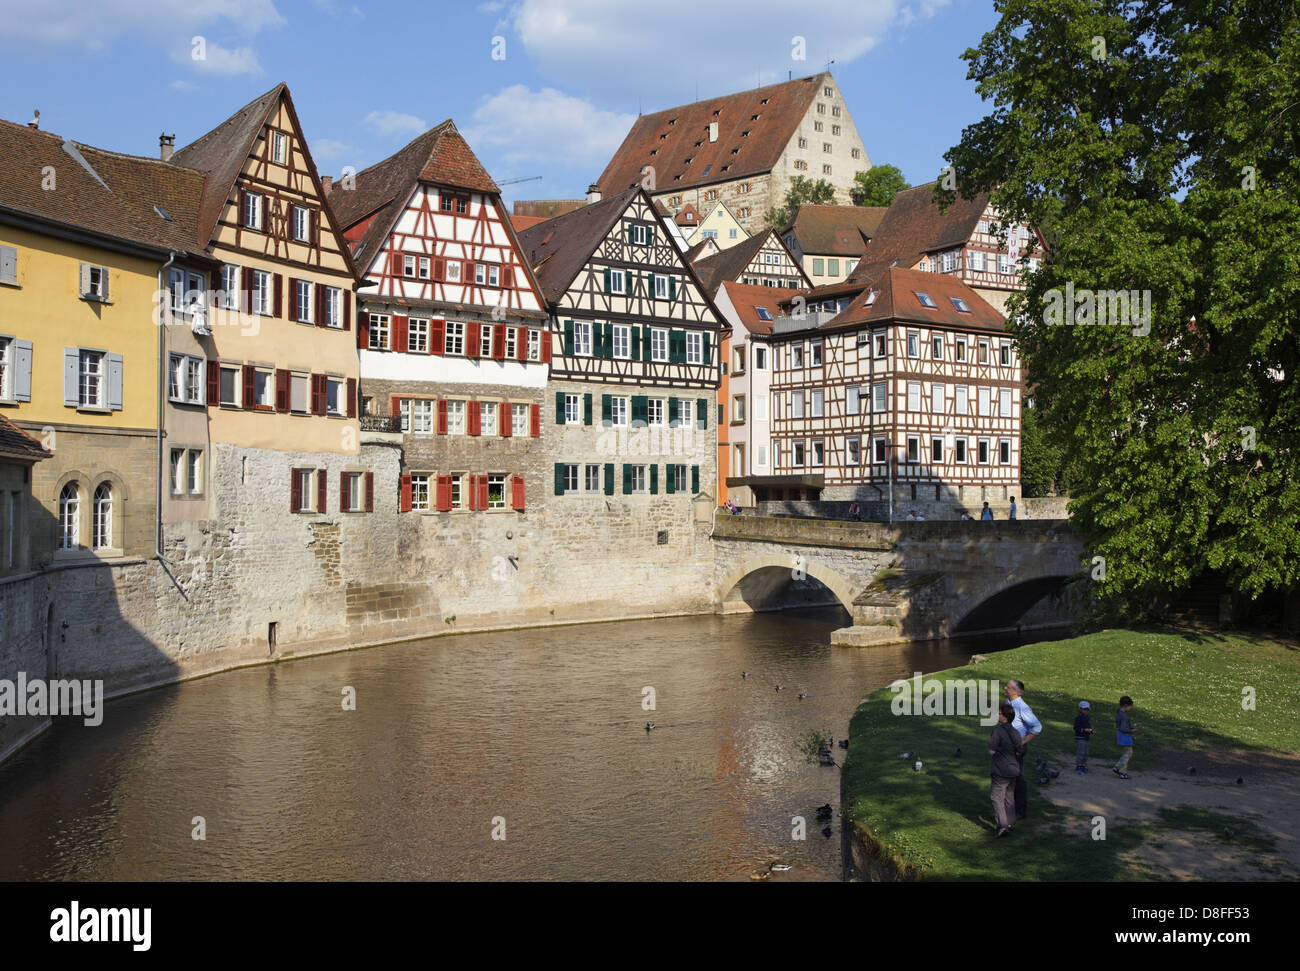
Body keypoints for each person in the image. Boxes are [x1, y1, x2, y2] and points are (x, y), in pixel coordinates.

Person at [1004, 679, 1041, 820]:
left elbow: (1037, 727)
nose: (1005, 687)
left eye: (1007, 686)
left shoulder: (1021, 707)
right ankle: (1009, 807)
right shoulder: (1009, 702)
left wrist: (1022, 742)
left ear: (1014, 691)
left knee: (1017, 778)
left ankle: (1020, 811)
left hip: (1016, 748)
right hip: (1007, 746)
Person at [989, 702, 1023, 838]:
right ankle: (1010, 822)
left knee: (996, 797)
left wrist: (998, 753)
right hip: (1013, 769)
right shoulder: (1015, 732)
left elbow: (991, 750)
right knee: (1009, 796)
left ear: (1004, 716)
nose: (997, 715)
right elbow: (1020, 750)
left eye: (999, 713)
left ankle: (1002, 826)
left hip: (1000, 770)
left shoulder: (998, 731)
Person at [1114, 696, 1136, 779]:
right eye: (1130, 707)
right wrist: (1132, 730)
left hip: (1122, 735)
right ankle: (1122, 772)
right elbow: (1123, 728)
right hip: (1125, 736)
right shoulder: (1124, 716)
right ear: (1126, 705)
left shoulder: (1120, 713)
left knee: (1127, 753)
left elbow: (1124, 725)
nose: (1130, 708)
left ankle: (1117, 767)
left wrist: (1131, 725)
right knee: (1128, 754)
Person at [1073, 701, 1095, 773]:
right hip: (1080, 738)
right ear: (1080, 709)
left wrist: (1091, 731)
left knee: (1086, 753)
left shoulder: (1087, 718)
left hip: (1086, 738)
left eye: (1087, 709)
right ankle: (1078, 766)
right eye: (1084, 709)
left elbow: (1088, 727)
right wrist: (1084, 730)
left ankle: (1083, 766)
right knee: (1081, 753)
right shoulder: (1078, 717)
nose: (1086, 711)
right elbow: (1076, 728)